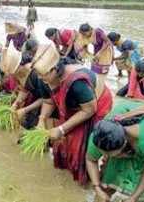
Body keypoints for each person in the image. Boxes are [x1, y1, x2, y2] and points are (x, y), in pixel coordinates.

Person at [32, 44, 113, 185]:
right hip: (72, 106)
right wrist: (41, 120)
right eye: (38, 74)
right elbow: (49, 101)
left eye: (42, 75)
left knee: (80, 146)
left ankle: (83, 181)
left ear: (55, 70)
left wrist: (62, 129)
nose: (39, 78)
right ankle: (64, 174)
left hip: (95, 105)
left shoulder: (77, 82)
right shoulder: (44, 78)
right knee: (62, 142)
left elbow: (89, 110)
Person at [86, 98, 144, 202]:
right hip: (127, 110)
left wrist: (133, 198)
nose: (105, 157)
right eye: (104, 154)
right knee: (112, 174)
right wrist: (97, 188)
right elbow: (90, 159)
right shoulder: (99, 136)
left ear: (125, 144)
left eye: (111, 155)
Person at [0, 45, 52, 129]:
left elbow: (47, 99)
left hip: (50, 101)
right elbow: (24, 90)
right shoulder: (21, 73)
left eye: (14, 71)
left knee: (35, 124)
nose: (13, 75)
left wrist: (25, 110)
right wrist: (16, 103)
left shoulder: (36, 73)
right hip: (41, 98)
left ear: (20, 65)